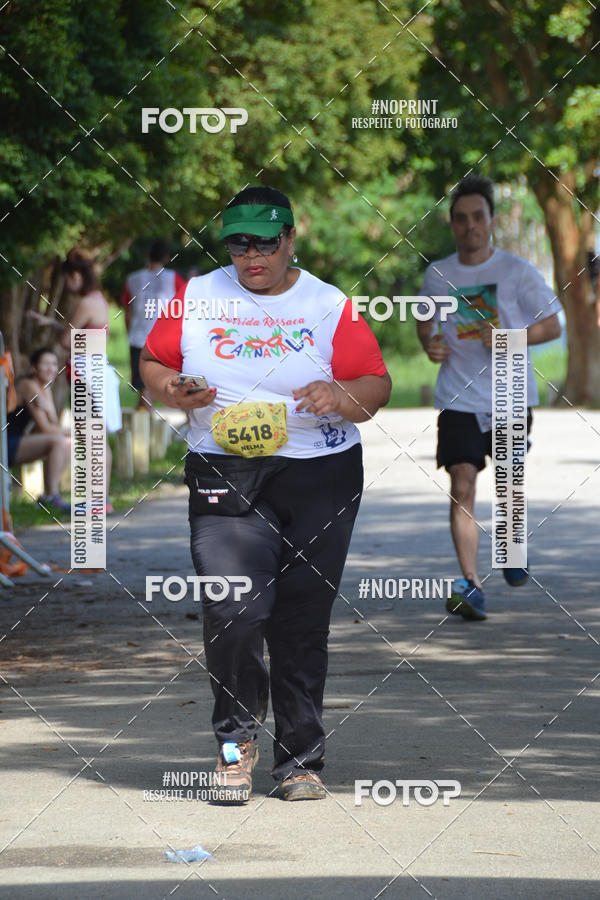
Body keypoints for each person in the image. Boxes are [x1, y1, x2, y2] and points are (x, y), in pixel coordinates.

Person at [140, 185, 391, 802]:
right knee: (233, 608)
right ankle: (234, 751)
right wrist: (174, 389)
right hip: (224, 471)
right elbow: (152, 365)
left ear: (291, 239)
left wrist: (339, 396)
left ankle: (300, 762)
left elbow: (375, 385)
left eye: (265, 244)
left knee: (301, 620)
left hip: (319, 474)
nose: (252, 257)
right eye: (238, 245)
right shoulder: (196, 296)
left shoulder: (328, 304)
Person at [417, 175, 561, 622]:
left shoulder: (518, 271)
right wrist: (429, 344)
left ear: (492, 220)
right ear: (452, 224)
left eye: (478, 217)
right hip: (458, 396)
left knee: (507, 483)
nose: (470, 226)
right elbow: (425, 323)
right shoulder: (438, 274)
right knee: (462, 484)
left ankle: (512, 544)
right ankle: (471, 585)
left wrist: (509, 337)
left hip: (510, 395)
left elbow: (552, 325)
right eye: (461, 219)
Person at [28, 249, 122, 512]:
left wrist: (58, 330)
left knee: (91, 439)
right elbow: (82, 335)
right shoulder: (98, 300)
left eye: (67, 279)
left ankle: (97, 501)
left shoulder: (85, 303)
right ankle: (101, 500)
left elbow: (67, 340)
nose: (67, 285)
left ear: (76, 276)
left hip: (86, 375)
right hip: (96, 372)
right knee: (97, 439)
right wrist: (51, 323)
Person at [120, 239, 186, 410]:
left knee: (144, 386)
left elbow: (128, 312)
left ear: (147, 255)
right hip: (165, 341)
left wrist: (130, 332)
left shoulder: (132, 279)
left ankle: (144, 419)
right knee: (161, 384)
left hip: (138, 338)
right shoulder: (173, 278)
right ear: (166, 258)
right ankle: (150, 419)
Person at [7, 347, 71, 513]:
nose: (51, 368)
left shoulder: (45, 387)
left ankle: (47, 496)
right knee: (59, 442)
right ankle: (52, 496)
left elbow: (53, 425)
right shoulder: (28, 386)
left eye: (54, 364)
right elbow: (46, 429)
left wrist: (49, 410)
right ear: (33, 368)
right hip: (5, 443)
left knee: (68, 442)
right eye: (45, 364)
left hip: (16, 441)